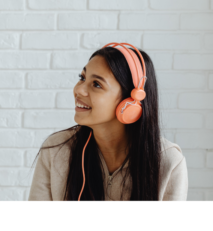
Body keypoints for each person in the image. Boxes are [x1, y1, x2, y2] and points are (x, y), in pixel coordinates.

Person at [28, 44, 188, 202]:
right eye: (82, 78)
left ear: (131, 102)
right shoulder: (56, 150)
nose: (79, 90)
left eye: (97, 84)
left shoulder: (168, 162)